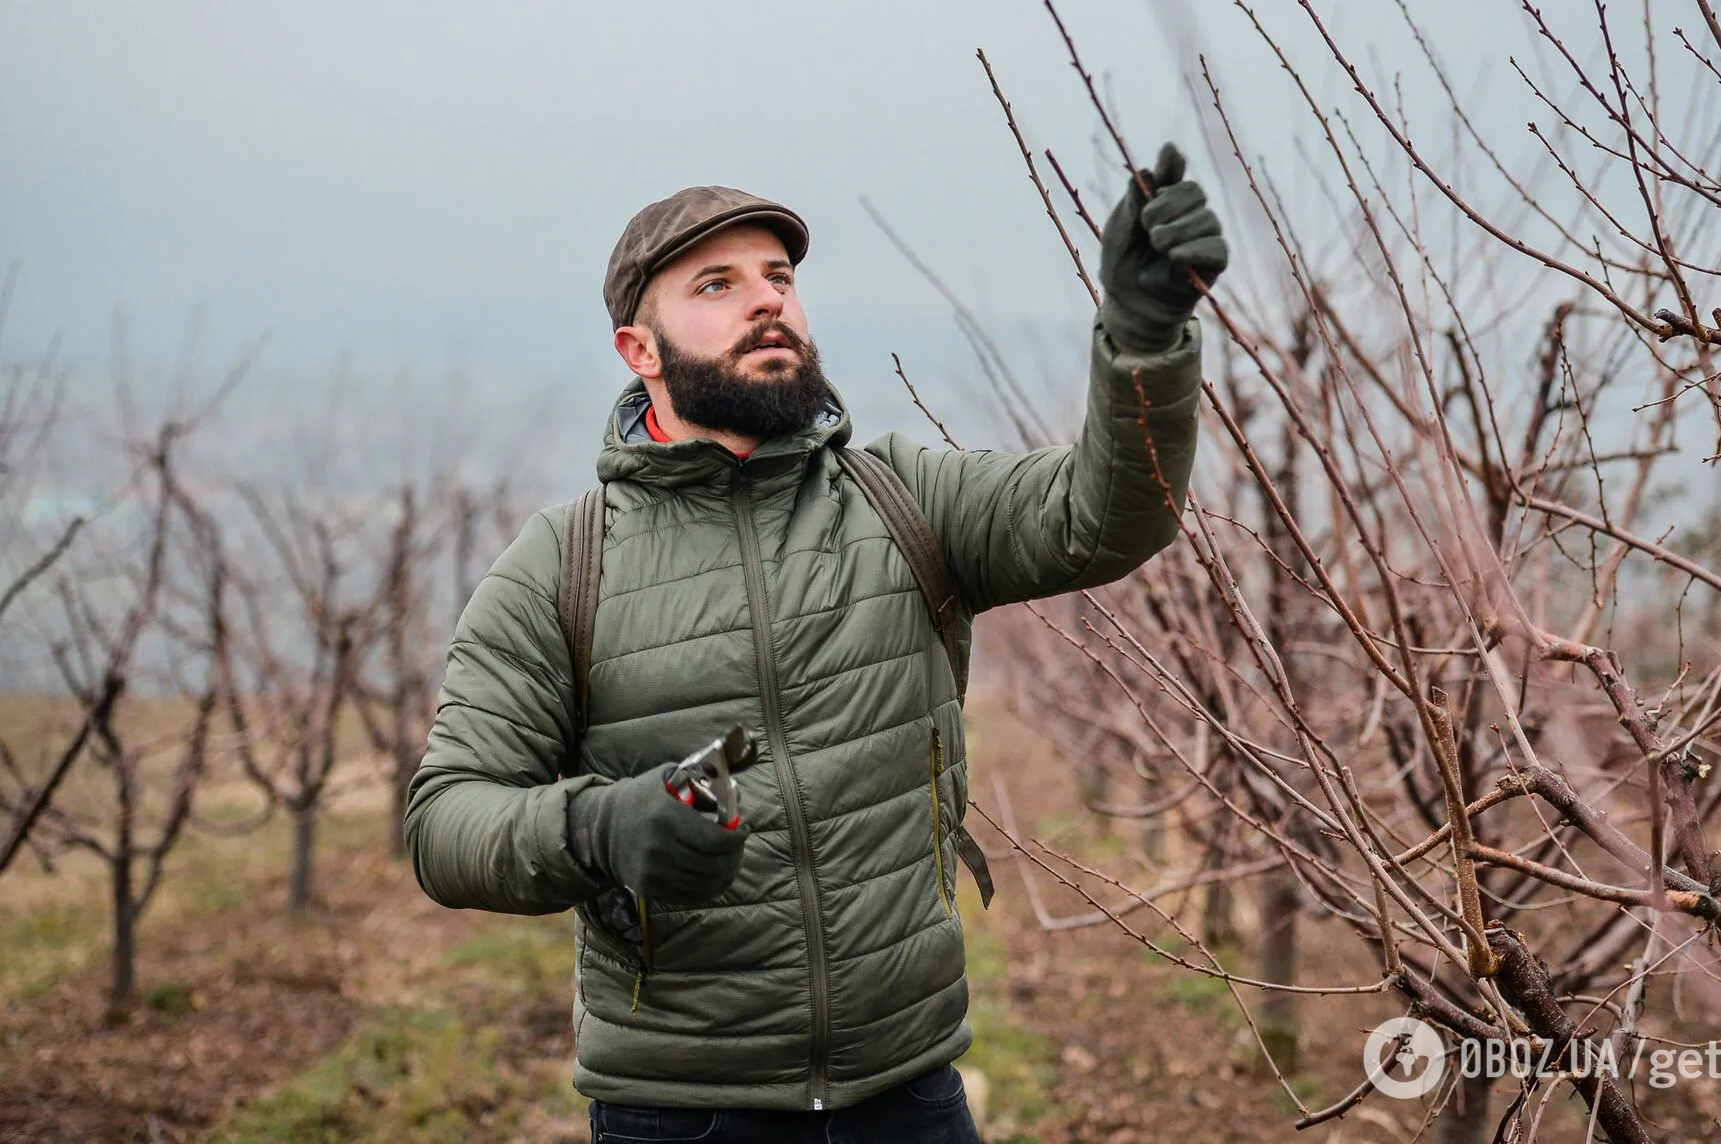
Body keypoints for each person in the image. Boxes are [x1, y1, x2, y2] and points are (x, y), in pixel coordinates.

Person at [404, 142, 1228, 1143]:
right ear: (640, 351)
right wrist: (600, 830)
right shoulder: (560, 566)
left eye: (778, 278)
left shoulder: (899, 499)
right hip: (683, 1113)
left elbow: (1105, 514)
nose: (765, 302)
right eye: (716, 284)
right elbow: (447, 823)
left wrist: (1142, 336)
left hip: (910, 1090)